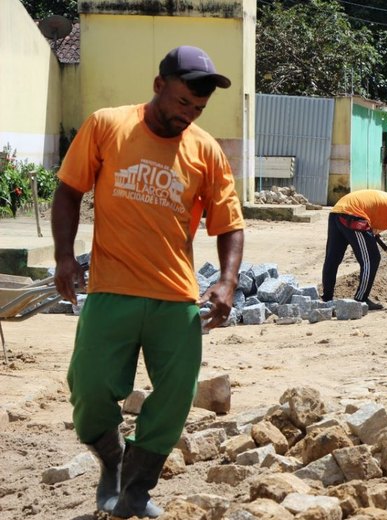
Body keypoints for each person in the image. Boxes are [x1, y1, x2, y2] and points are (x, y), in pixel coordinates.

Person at [51, 46, 244, 518]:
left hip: (175, 297)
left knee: (176, 395)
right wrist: (62, 258)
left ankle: (136, 488)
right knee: (89, 385)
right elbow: (68, 191)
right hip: (111, 288)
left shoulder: (206, 151)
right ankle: (112, 460)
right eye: (182, 103)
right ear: (159, 86)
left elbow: (230, 224)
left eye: (197, 109)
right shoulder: (106, 125)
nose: (188, 116)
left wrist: (227, 280)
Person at [322, 190, 387, 310]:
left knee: (333, 258)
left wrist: (372, 231)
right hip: (353, 215)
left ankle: (327, 300)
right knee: (371, 258)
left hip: (337, 212)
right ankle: (361, 299)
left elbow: (373, 213)